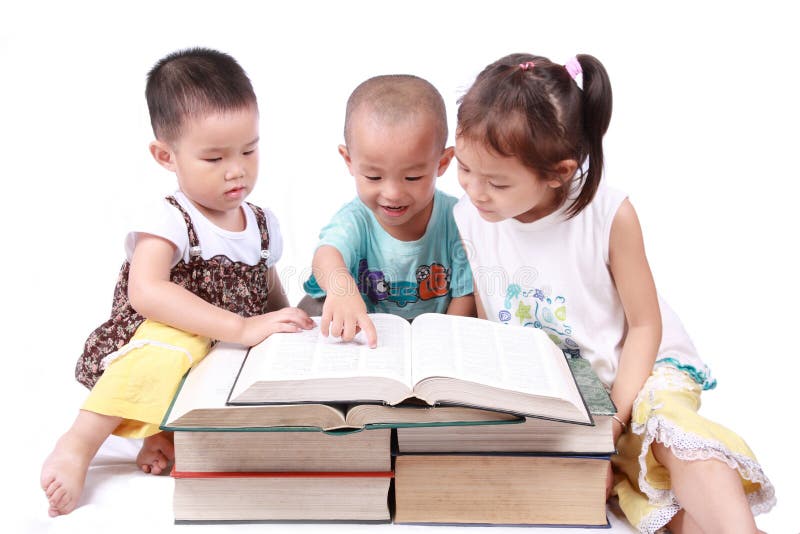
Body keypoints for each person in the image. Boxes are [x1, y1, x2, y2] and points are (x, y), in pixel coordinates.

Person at [452, 53, 775, 534]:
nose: (476, 192)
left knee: (672, 436)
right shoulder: (469, 218)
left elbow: (645, 326)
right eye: (463, 169)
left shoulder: (607, 215)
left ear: (558, 172)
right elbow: (490, 318)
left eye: (497, 182)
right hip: (569, 398)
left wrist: (611, 425)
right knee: (641, 494)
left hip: (639, 373)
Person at [40, 47, 313, 517]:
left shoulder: (263, 223)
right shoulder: (169, 217)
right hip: (161, 335)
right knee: (169, 351)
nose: (237, 169)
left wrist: (283, 325)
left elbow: (267, 289)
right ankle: (79, 443)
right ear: (166, 156)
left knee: (234, 380)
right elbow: (148, 292)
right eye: (214, 157)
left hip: (221, 347)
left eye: (249, 149)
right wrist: (242, 327)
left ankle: (161, 435)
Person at [301, 74, 475, 346]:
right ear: (349, 160)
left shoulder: (458, 220)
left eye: (413, 178)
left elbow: (465, 296)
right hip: (367, 340)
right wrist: (341, 287)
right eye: (373, 177)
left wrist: (445, 345)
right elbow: (326, 254)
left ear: (442, 163)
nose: (393, 194)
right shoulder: (356, 219)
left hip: (432, 343)